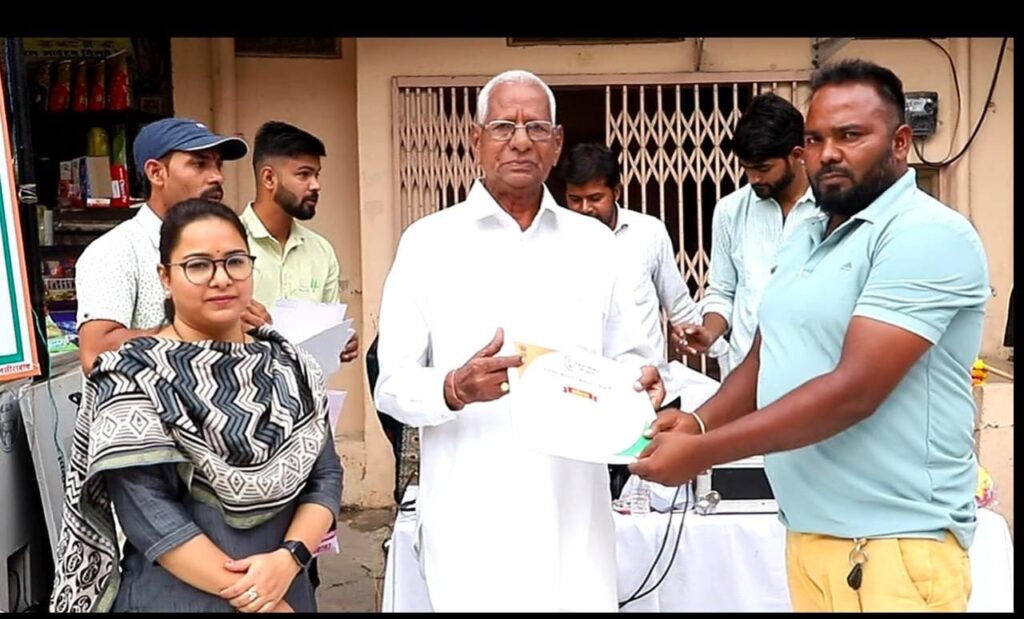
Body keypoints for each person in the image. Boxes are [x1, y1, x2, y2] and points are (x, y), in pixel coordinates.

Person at [631, 59, 989, 612]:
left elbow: (854, 391)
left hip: (895, 544)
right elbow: (767, 352)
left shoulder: (926, 235)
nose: (828, 154)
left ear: (900, 142)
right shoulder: (807, 234)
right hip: (811, 537)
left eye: (850, 136)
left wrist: (703, 452)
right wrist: (700, 420)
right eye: (816, 139)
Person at [373, 69, 664, 612]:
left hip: (573, 514)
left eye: (536, 127)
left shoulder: (595, 245)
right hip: (470, 514)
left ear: (557, 144)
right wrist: (453, 388)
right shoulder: (429, 244)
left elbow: (635, 359)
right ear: (476, 140)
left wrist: (641, 385)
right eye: (504, 126)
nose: (521, 140)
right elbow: (391, 385)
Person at [51, 199, 343, 612]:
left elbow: (325, 476)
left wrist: (289, 558)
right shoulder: (133, 374)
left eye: (235, 262)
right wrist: (261, 601)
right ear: (165, 277)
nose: (221, 279)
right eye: (198, 265)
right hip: (178, 599)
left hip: (287, 586)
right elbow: (147, 508)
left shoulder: (292, 366)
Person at [75, 117, 271, 373]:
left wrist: (254, 328)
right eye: (199, 164)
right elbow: (96, 353)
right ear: (156, 173)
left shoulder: (224, 244)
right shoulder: (115, 250)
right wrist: (197, 332)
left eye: (218, 164)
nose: (217, 177)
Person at [670, 93, 819, 378]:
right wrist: (709, 332)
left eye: (763, 169)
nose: (754, 179)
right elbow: (722, 291)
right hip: (745, 373)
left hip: (813, 373)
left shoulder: (832, 209)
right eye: (746, 168)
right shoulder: (730, 210)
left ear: (797, 155)